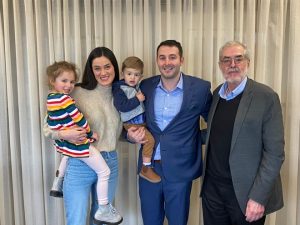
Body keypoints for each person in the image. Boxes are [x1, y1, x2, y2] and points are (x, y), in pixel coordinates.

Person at [127, 40, 212, 225]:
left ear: (181, 59)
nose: (167, 62)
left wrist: (194, 140)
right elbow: (130, 118)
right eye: (162, 58)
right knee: (150, 221)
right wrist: (130, 135)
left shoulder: (200, 89)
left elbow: (214, 125)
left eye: (172, 57)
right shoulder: (145, 86)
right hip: (148, 168)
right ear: (157, 60)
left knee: (178, 221)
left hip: (181, 168)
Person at [201, 41, 285, 225]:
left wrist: (259, 197)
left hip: (246, 194)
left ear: (248, 62)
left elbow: (275, 154)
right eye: (226, 60)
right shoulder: (217, 95)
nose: (232, 65)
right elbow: (217, 133)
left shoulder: (266, 96)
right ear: (220, 65)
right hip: (213, 191)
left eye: (238, 59)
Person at [43, 47, 123, 225]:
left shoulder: (122, 94)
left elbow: (117, 131)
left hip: (110, 160)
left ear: (114, 67)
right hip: (80, 163)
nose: (103, 72)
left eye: (107, 66)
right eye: (97, 68)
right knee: (76, 220)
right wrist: (65, 133)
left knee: (102, 220)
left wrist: (134, 135)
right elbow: (48, 128)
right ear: (90, 70)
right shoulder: (75, 92)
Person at [112, 56, 160, 183]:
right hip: (132, 123)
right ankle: (146, 168)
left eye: (136, 75)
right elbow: (121, 106)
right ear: (123, 74)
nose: (132, 77)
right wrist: (137, 99)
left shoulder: (137, 86)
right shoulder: (119, 88)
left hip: (141, 122)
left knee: (153, 138)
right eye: (129, 74)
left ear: (141, 76)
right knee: (150, 141)